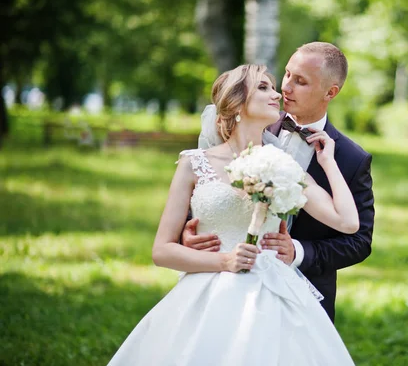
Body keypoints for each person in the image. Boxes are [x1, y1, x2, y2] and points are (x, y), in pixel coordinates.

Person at [107, 64, 359, 365]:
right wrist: (224, 261)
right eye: (263, 87)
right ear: (237, 103)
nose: (277, 93)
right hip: (208, 293)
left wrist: (328, 161)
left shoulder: (283, 166)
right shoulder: (194, 163)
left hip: (272, 292)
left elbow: (347, 222)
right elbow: (162, 251)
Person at [182, 42, 375, 322]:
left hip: (301, 297)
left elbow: (358, 240)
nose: (285, 87)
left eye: (301, 81)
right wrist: (190, 235)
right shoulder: (250, 120)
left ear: (330, 92)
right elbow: (209, 185)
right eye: (286, 74)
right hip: (222, 279)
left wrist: (296, 251)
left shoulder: (349, 158)